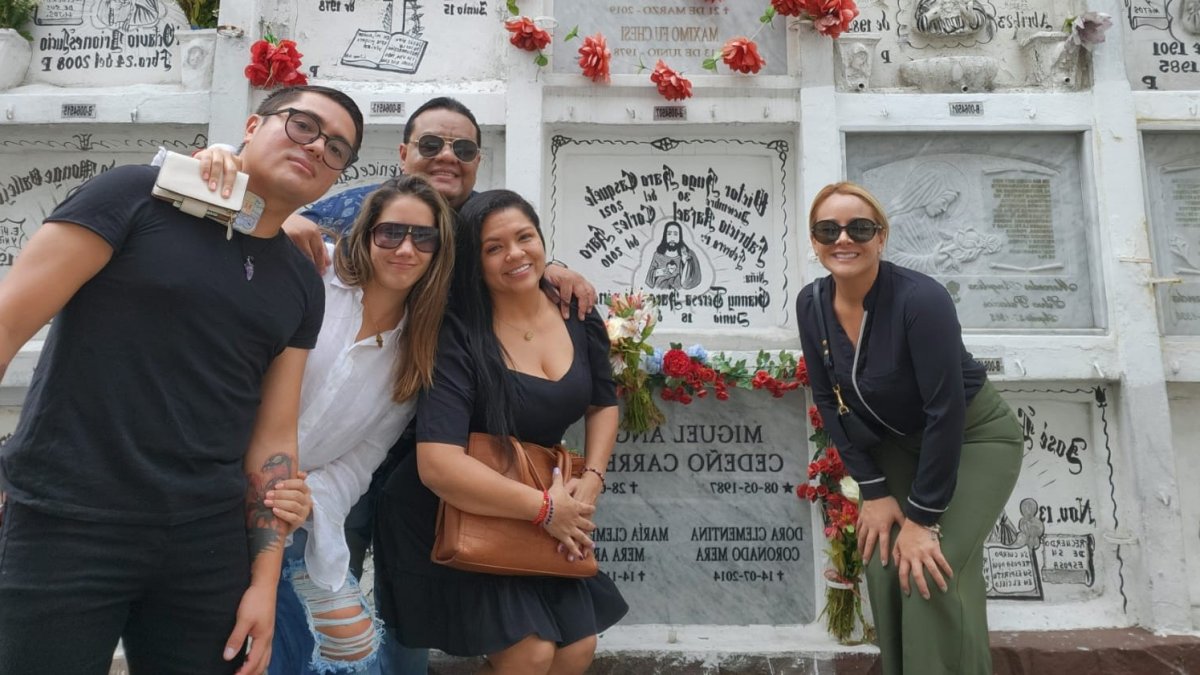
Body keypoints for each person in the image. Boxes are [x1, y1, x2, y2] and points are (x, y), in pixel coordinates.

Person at [0, 84, 364, 675]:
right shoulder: (134, 198)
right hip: (66, 523)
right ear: (253, 125)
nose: (318, 147)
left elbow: (273, 440)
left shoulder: (300, 283)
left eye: (337, 148)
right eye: (303, 125)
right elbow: (9, 320)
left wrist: (264, 581)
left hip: (206, 544)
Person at [372, 190, 628, 674]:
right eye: (493, 247)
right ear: (474, 259)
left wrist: (591, 478)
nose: (514, 254)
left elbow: (602, 403)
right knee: (528, 652)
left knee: (577, 648)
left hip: (542, 502)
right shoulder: (459, 333)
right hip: (461, 508)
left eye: (524, 237)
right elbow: (437, 464)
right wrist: (547, 509)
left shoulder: (576, 311)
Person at [794, 182, 1022, 675]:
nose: (843, 239)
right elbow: (825, 400)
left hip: (972, 440)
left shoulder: (922, 300)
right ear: (814, 242)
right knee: (882, 564)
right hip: (895, 448)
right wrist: (873, 491)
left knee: (927, 569)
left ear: (881, 237)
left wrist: (921, 520)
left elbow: (946, 411)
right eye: (827, 229)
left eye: (859, 227)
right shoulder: (811, 304)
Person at [266, 175, 455, 674]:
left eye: (424, 238)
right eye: (391, 233)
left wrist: (306, 495)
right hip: (217, 491)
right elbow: (180, 186)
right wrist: (271, 215)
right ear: (367, 233)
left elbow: (361, 459)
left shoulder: (416, 350)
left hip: (301, 514)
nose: (406, 249)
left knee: (354, 656)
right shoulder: (315, 276)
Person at [644, 220, 702, 290]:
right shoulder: (658, 255)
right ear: (665, 236)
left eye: (675, 234)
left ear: (680, 237)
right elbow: (649, 281)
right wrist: (657, 272)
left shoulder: (687, 254)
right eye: (669, 234)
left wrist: (686, 263)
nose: (672, 238)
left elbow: (692, 281)